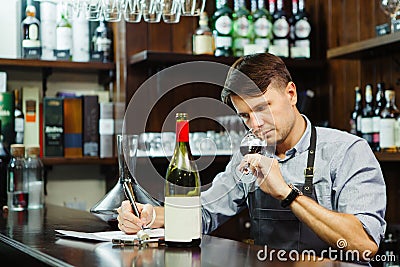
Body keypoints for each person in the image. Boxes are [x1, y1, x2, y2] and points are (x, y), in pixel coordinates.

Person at [117, 53, 386, 260]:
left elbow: (365, 244)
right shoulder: (250, 154)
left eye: (263, 107)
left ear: (291, 94)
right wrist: (150, 216)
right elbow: (206, 211)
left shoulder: (348, 151)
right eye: (245, 115)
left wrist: (287, 193)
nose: (256, 124)